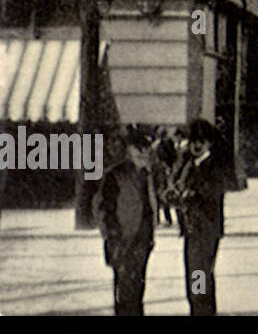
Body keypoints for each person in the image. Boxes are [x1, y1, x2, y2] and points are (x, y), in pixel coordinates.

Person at [169, 118, 232, 316]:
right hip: (192, 230)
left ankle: (201, 311)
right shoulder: (188, 165)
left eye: (201, 142)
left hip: (206, 230)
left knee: (198, 275)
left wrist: (191, 194)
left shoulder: (214, 166)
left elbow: (211, 192)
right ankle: (201, 310)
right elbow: (178, 187)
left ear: (209, 144)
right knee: (196, 275)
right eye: (193, 141)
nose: (196, 145)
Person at [93, 125, 156, 316]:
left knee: (136, 290)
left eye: (145, 149)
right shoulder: (116, 175)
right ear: (128, 151)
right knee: (125, 292)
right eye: (137, 149)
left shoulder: (147, 175)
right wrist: (113, 237)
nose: (142, 153)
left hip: (142, 241)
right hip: (123, 240)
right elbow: (103, 208)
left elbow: (149, 206)